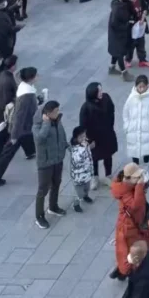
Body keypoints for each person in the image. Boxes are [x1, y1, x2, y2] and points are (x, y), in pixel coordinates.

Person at [33, 99, 68, 230]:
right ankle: (39, 216)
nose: (58, 112)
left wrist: (66, 146)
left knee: (56, 183)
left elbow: (62, 135)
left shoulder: (57, 121)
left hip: (57, 159)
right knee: (43, 189)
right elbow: (40, 139)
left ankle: (53, 207)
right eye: (56, 111)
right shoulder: (37, 125)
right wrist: (46, 123)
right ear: (48, 113)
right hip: (45, 162)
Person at [123, 74, 149, 165]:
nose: (142, 89)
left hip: (146, 128)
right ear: (136, 87)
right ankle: (136, 166)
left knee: (146, 149)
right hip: (133, 129)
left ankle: (146, 165)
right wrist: (127, 125)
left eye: (144, 87)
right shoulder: (132, 97)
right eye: (140, 87)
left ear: (147, 86)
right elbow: (126, 112)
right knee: (134, 149)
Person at [69, 125, 95, 212]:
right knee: (79, 193)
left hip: (87, 172)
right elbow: (78, 160)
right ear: (76, 138)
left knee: (87, 188)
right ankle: (76, 204)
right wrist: (84, 148)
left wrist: (89, 147)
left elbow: (88, 154)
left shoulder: (85, 144)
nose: (84, 138)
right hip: (78, 176)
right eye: (81, 137)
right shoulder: (75, 149)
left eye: (84, 135)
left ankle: (85, 196)